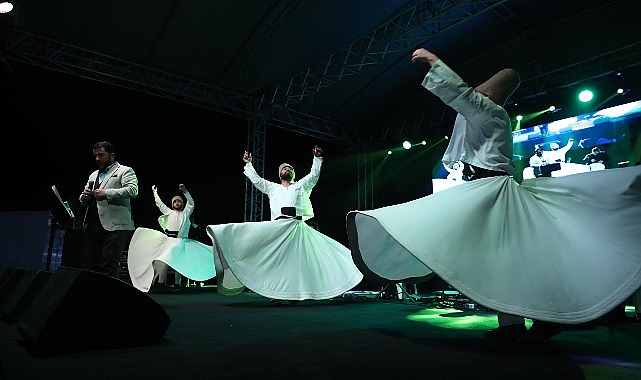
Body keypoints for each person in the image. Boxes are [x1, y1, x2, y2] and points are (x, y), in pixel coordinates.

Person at [345, 47, 641, 342]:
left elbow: (462, 96)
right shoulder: (489, 115)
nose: (479, 90)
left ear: (490, 93)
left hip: (492, 190)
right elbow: (465, 103)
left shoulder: (491, 111)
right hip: (487, 189)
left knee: (504, 257)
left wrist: (434, 62)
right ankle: (524, 322)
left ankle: (530, 321)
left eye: (484, 88)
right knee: (506, 258)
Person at [205, 146, 363, 304]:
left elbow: (314, 176)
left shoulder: (301, 186)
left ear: (293, 174)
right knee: (279, 263)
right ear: (280, 174)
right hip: (279, 229)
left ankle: (295, 294)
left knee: (296, 264)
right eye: (284, 168)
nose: (287, 169)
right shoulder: (273, 188)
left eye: (290, 168)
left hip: (296, 228)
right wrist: (248, 164)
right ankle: (278, 293)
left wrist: (317, 158)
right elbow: (257, 181)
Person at [127, 184, 215, 293]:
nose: (177, 203)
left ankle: (177, 284)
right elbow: (159, 204)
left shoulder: (185, 213)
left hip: (181, 241)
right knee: (163, 261)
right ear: (172, 204)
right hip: (169, 240)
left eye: (179, 202)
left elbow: (191, 203)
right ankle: (160, 282)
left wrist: (185, 191)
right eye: (175, 202)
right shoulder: (169, 212)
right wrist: (155, 193)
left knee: (178, 262)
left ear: (182, 204)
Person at [79, 141, 138, 278]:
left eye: (101, 155)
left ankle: (108, 297)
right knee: (94, 265)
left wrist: (107, 193)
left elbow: (133, 190)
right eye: (95, 156)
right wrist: (84, 197)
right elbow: (82, 197)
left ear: (112, 155)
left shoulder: (125, 170)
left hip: (116, 226)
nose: (97, 159)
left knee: (109, 266)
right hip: (94, 225)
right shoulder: (93, 175)